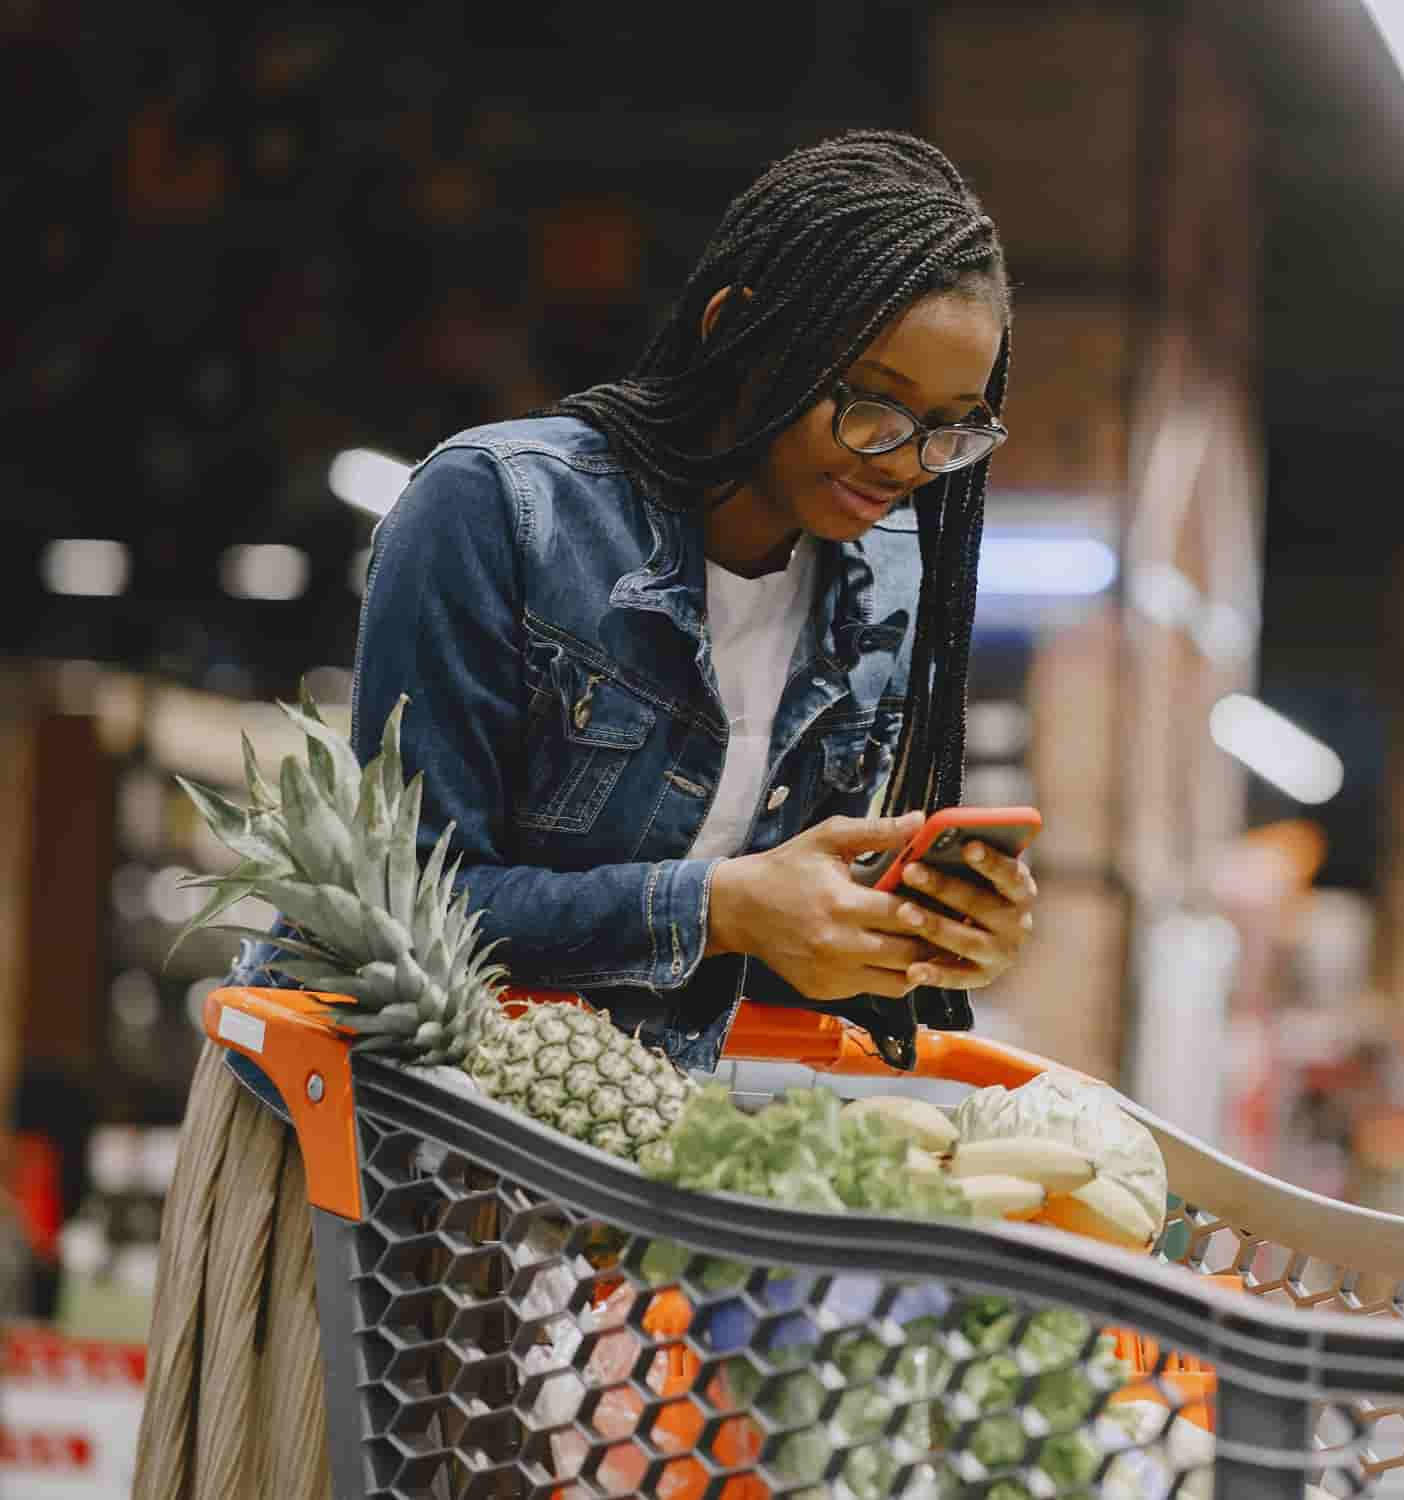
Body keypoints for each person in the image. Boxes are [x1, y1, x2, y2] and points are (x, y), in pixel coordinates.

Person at [134, 131, 1038, 1498]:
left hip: (600, 1176)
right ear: (742, 330)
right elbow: (396, 913)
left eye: (953, 421)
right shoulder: (501, 509)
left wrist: (917, 936)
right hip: (355, 1150)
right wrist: (722, 905)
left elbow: (776, 932)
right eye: (870, 401)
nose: (908, 459)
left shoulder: (880, 594)